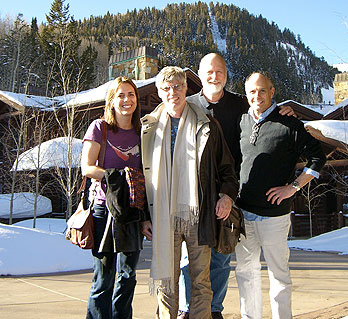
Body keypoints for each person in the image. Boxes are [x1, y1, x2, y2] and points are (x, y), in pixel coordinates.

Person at [179, 53, 295, 319]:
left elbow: (262, 111)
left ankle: (215, 309)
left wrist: (283, 110)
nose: (214, 76)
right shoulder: (188, 105)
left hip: (229, 194)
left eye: (220, 71)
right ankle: (188, 308)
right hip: (194, 194)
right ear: (199, 73)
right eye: (209, 71)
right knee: (190, 257)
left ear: (226, 74)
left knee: (221, 255)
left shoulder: (240, 105)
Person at [140, 66, 238, 319]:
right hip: (163, 215)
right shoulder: (149, 128)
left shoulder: (207, 124)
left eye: (178, 86)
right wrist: (144, 217)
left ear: (186, 88)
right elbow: (143, 177)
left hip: (198, 213)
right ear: (160, 92)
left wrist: (226, 196)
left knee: (201, 280)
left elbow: (227, 167)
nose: (173, 92)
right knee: (166, 281)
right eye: (167, 88)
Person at [235, 72, 326, 319]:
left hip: (274, 217)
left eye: (262, 90)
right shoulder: (241, 121)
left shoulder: (290, 125)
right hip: (242, 213)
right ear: (246, 94)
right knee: (246, 273)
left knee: (279, 276)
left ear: (272, 91)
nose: (257, 96)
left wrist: (293, 187)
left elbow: (318, 158)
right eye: (252, 91)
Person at [81, 76, 147, 319]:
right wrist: (118, 177)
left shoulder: (142, 131)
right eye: (120, 95)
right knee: (104, 279)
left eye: (131, 94)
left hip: (132, 212)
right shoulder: (100, 128)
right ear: (111, 101)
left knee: (128, 276)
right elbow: (87, 167)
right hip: (104, 210)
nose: (126, 100)